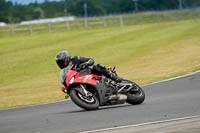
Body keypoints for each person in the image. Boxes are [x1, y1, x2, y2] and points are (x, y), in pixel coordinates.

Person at [55, 51, 122, 82]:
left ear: (66, 59)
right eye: (59, 63)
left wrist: (85, 64)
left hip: (89, 73)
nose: (61, 64)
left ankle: (114, 77)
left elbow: (91, 60)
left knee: (97, 66)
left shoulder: (76, 59)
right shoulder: (66, 71)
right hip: (80, 79)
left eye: (61, 62)